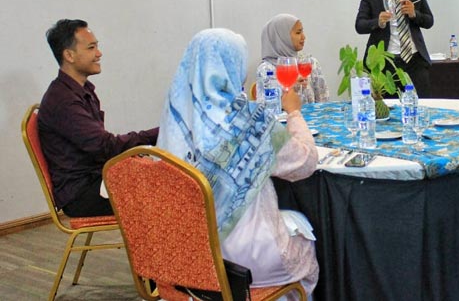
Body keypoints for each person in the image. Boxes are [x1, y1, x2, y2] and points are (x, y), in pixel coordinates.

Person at [157, 28, 318, 297]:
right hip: (243, 262)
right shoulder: (247, 122)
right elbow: (304, 162)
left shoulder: (174, 116)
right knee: (307, 244)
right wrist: (294, 112)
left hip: (183, 256)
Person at [37, 19, 158, 218]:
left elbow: (102, 147)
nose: (99, 54)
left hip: (94, 179)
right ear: (69, 55)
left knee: (167, 177)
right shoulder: (63, 101)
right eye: (91, 48)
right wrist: (158, 133)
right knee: (172, 191)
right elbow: (105, 146)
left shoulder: (81, 91)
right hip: (82, 195)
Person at [355, 0, 434, 97]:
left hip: (415, 60)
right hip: (386, 63)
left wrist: (414, 14)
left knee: (423, 105)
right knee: (390, 110)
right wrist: (377, 22)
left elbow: (429, 21)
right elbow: (359, 25)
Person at [257, 13, 329, 104]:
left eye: (302, 32)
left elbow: (323, 102)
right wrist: (289, 88)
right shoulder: (266, 69)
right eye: (298, 33)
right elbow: (264, 107)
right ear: (282, 37)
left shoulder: (309, 63)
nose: (304, 37)